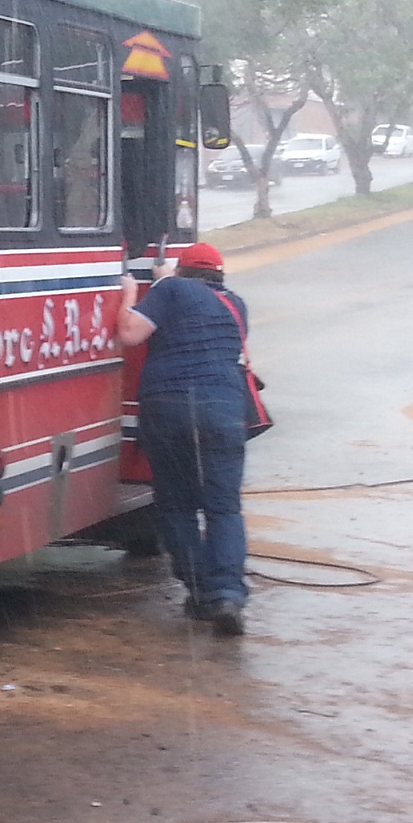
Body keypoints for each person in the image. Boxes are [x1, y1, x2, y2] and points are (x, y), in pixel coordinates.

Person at [114, 241, 254, 636]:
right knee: (223, 508)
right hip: (224, 412)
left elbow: (129, 333)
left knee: (176, 505)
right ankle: (227, 594)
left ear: (183, 271)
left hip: (170, 409)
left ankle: (200, 591)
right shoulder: (236, 304)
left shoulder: (171, 291)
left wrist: (132, 293)